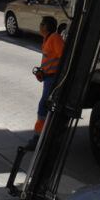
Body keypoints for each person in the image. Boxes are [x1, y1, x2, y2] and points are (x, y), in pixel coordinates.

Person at [28, 16, 65, 148]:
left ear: (47, 26)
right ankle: (47, 134)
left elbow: (63, 58)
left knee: (43, 105)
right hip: (49, 77)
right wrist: (43, 71)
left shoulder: (55, 38)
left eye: (42, 24)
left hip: (53, 78)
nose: (40, 26)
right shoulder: (48, 38)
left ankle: (38, 137)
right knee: (48, 105)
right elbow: (52, 59)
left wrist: (54, 75)